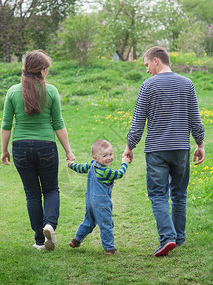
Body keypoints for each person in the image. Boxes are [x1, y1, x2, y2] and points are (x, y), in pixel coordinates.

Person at [123, 46, 205, 257]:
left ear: (157, 60)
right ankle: (179, 237)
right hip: (180, 149)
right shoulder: (187, 84)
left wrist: (129, 146)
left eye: (147, 65)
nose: (147, 70)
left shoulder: (148, 86)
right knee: (179, 194)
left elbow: (139, 120)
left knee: (158, 194)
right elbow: (195, 118)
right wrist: (200, 143)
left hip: (156, 150)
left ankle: (167, 238)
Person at [0, 50, 75, 251]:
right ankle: (49, 224)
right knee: (51, 189)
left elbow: (6, 125)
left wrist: (4, 150)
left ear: (25, 69)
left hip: (21, 148)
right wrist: (68, 151)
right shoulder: (50, 91)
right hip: (46, 147)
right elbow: (58, 124)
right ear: (41, 70)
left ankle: (40, 241)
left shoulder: (12, 91)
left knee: (32, 194)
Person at [67, 139, 129, 255]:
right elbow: (119, 174)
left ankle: (76, 240)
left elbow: (80, 168)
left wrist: (71, 165)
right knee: (106, 224)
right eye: (105, 155)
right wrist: (124, 162)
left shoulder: (91, 164)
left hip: (90, 201)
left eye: (110, 154)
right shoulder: (105, 171)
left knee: (88, 222)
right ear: (95, 158)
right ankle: (109, 248)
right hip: (101, 203)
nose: (109, 157)